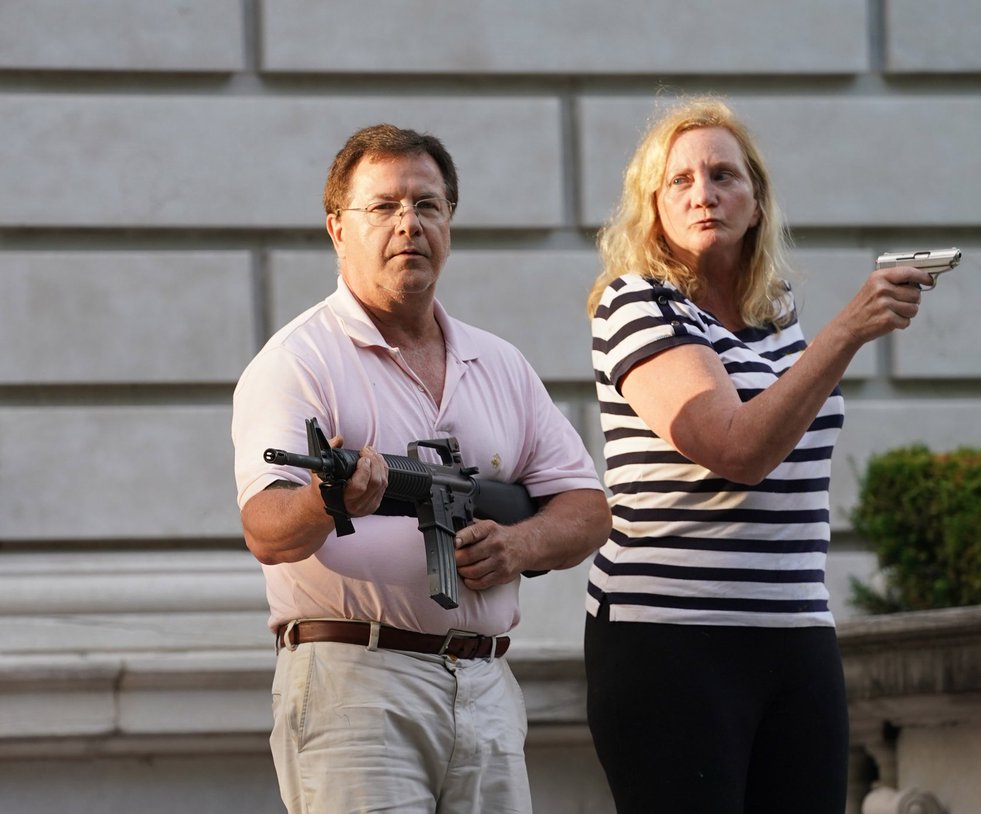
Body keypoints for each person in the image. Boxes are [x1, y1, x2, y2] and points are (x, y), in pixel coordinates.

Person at [232, 123, 611, 814]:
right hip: (357, 684)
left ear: (449, 222)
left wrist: (517, 546)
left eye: (427, 205)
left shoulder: (497, 363)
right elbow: (265, 527)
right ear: (337, 229)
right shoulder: (297, 363)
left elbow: (587, 506)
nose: (408, 224)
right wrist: (328, 498)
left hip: (487, 684)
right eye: (383, 207)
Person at [583, 97, 935, 814]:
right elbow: (734, 448)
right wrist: (848, 333)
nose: (703, 194)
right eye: (678, 181)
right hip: (671, 638)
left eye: (722, 175)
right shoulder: (637, 304)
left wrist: (823, 337)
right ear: (651, 207)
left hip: (794, 631)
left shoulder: (776, 319)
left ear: (757, 201)